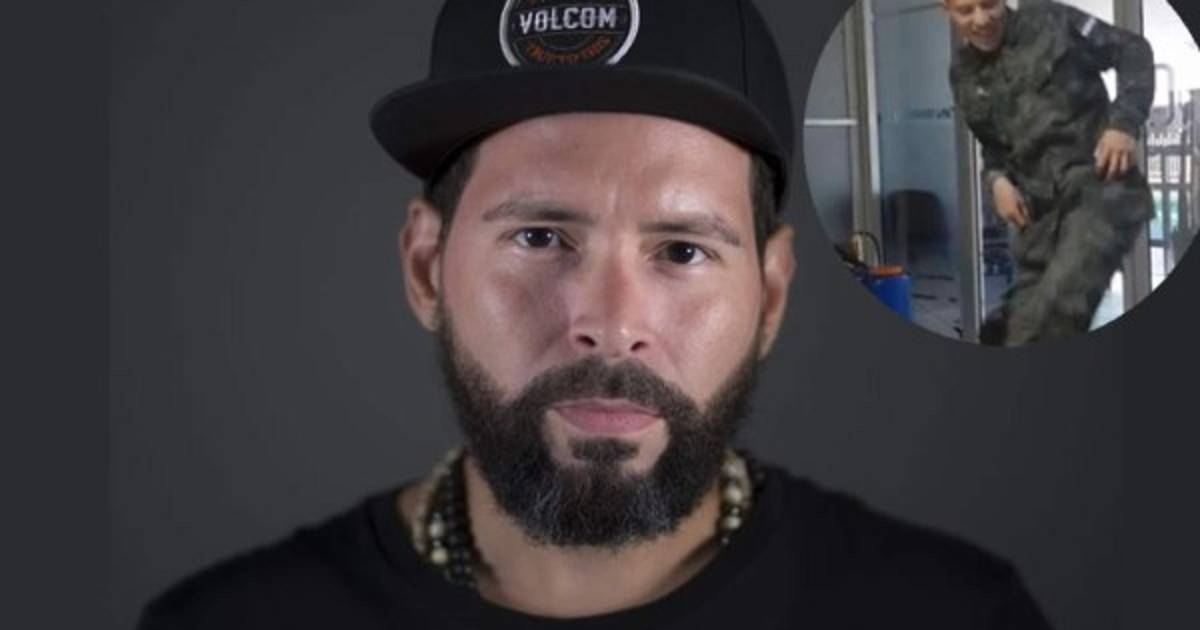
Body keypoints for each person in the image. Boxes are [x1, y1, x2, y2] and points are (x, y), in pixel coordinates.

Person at [138, 0, 1053, 627]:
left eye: (682, 251)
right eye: (540, 237)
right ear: (426, 268)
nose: (611, 323)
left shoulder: (947, 614)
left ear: (770, 295)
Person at [944, 0, 1156, 346]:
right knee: (1005, 332)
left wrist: (1124, 124)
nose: (981, 19)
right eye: (966, 11)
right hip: (1039, 219)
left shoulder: (1052, 21)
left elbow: (1133, 50)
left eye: (989, 4)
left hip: (1099, 196)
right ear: (947, 11)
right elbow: (992, 143)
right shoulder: (963, 73)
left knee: (1047, 325)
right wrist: (997, 180)